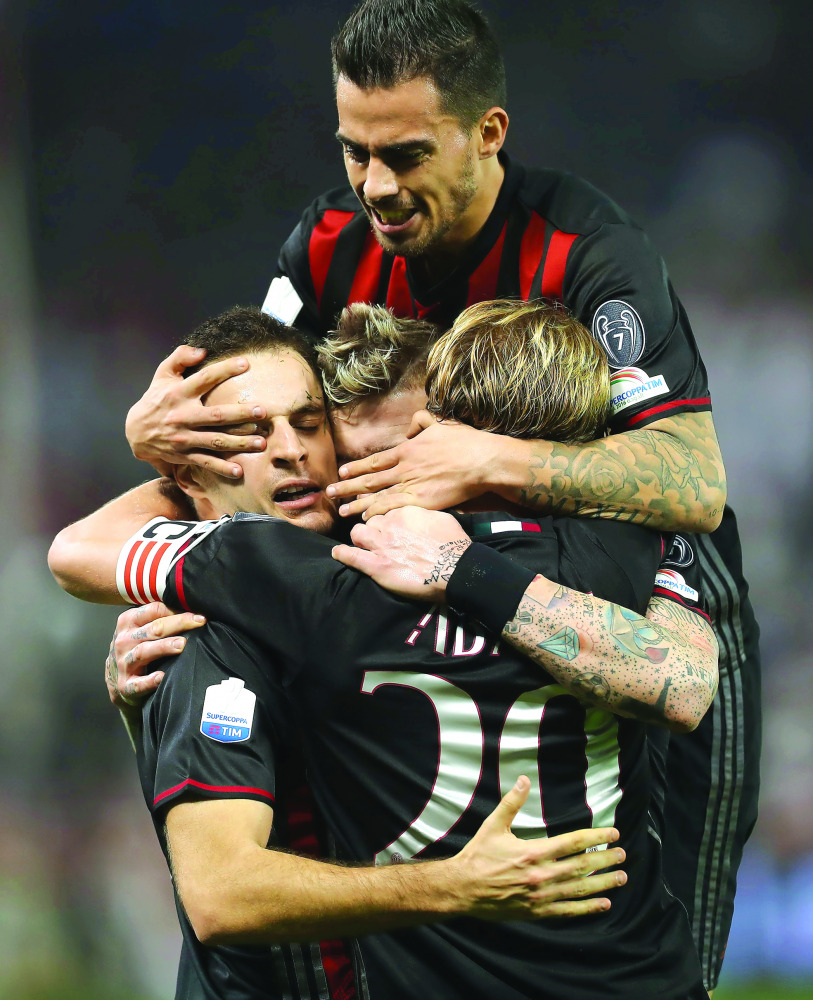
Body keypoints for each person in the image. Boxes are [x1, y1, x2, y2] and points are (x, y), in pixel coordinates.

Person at [119, 3, 755, 991]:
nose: (376, 185)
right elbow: (257, 423)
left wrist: (485, 463)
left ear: (487, 132)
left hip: (615, 562)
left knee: (657, 871)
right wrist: (157, 451)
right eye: (354, 151)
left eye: (406, 154)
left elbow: (694, 483)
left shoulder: (589, 253)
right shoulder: (324, 245)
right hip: (395, 552)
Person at [51, 302, 714, 998]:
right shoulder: (625, 541)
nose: (385, 492)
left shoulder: (295, 583)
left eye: (308, 426)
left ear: (447, 440)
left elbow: (75, 551)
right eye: (246, 433)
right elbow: (684, 683)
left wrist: (462, 569)